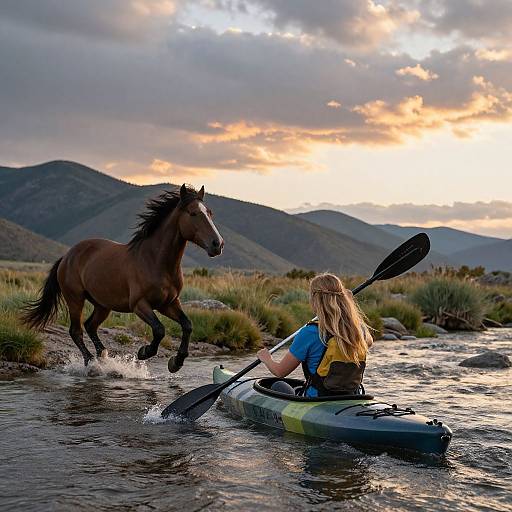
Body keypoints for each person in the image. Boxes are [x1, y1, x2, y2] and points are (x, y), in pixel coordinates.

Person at [257, 273, 373, 397]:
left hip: (317, 399)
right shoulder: (357, 330)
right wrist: (349, 304)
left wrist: (267, 359)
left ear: (315, 299)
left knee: (277, 385)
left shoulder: (309, 333)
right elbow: (369, 341)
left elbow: (280, 372)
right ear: (342, 298)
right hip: (351, 397)